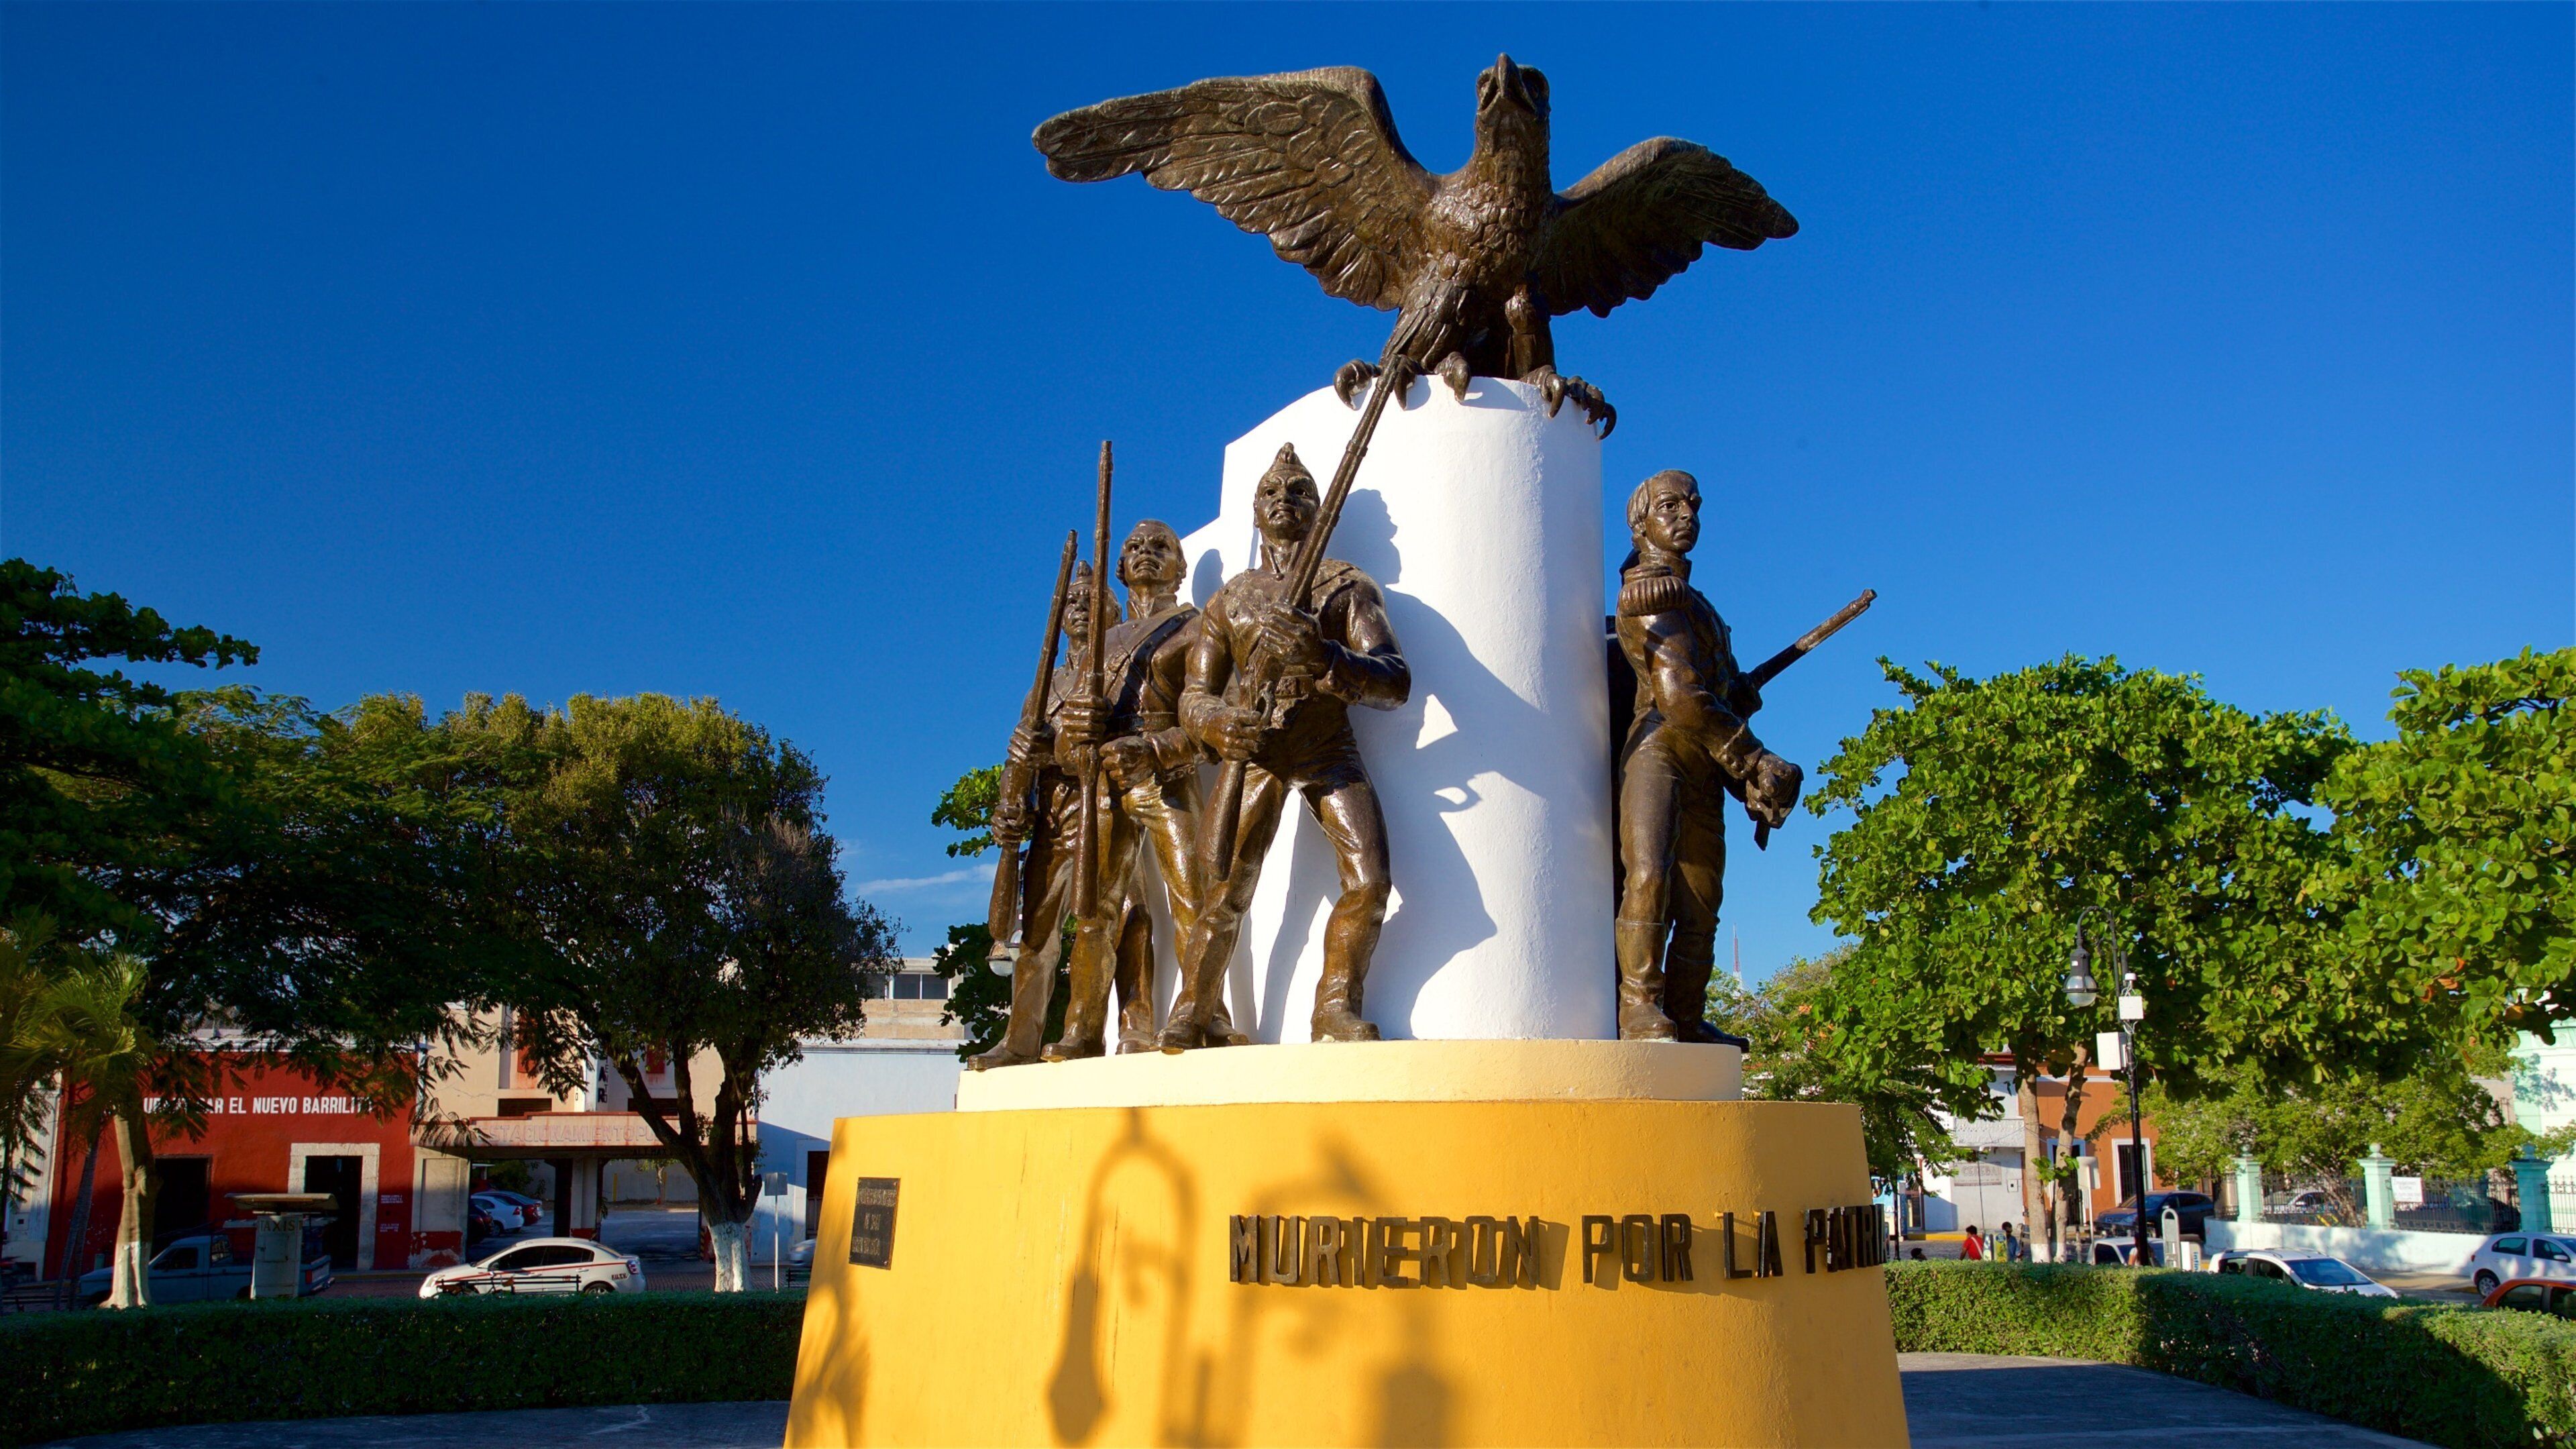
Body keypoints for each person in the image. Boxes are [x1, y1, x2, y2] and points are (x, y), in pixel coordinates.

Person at [1162, 443, 1411, 1049]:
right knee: (1223, 889)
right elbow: (1194, 695)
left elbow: (1394, 679)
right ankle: (1192, 1011)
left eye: (1299, 492)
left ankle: (1333, 1008)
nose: (1284, 501)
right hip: (1258, 748)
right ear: (1254, 512)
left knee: (1370, 880)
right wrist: (1220, 726)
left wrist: (1324, 657)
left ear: (1318, 510)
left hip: (1328, 743)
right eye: (1272, 493)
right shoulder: (1231, 598)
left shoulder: (1346, 585)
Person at [1611, 470, 1801, 1042]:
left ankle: (1687, 1014)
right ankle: (1640, 1005)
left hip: (1703, 760)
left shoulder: (1701, 606)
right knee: (1650, 877)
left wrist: (1737, 698)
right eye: (1669, 505)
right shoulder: (1650, 589)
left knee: (1702, 900)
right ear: (1640, 521)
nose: (1686, 514)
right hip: (1660, 748)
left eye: (1693, 504)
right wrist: (1754, 757)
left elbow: (1710, 693)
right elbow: (1679, 698)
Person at [1051, 521, 1248, 1057]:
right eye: (1135, 547)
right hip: (1105, 784)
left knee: (1196, 898)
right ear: (1120, 568)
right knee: (1095, 913)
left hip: (1168, 777)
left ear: (1181, 568)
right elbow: (1066, 744)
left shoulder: (1197, 628)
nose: (1146, 554)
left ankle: (1206, 1015)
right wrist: (1079, 735)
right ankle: (1084, 1029)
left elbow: (1219, 718)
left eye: (1161, 547)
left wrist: (1160, 749)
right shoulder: (1098, 644)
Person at [972, 567, 1122, 1070]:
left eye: (1091, 600)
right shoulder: (1044, 688)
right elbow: (1019, 762)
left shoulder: (1119, 669)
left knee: (1098, 925)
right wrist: (1011, 807)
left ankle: (1086, 1029)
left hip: (1104, 810)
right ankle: (1020, 1040)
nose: (1079, 608)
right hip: (1051, 821)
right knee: (1035, 937)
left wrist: (1055, 749)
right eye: (1072, 602)